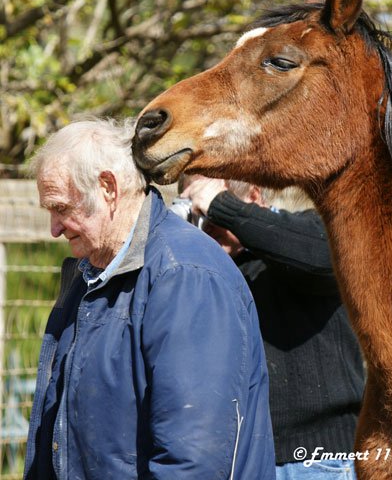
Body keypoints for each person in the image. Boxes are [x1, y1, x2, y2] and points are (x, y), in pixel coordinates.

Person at [24, 118, 275, 480]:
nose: (54, 229)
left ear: (108, 188)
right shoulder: (92, 274)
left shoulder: (185, 276)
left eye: (61, 208)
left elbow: (195, 460)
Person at [180, 175, 365, 480]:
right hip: (242, 461)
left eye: (210, 212)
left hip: (317, 460)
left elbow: (321, 256)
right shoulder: (202, 268)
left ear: (253, 195)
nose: (206, 223)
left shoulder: (304, 232)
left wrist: (223, 207)